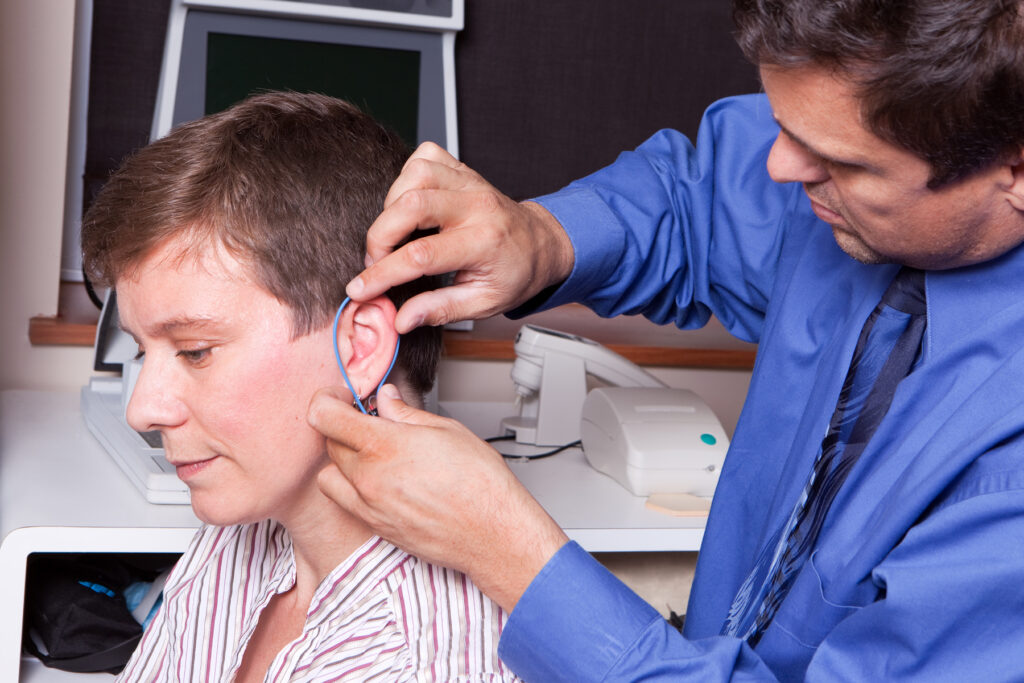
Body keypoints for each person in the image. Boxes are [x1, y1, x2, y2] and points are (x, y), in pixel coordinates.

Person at [307, 0, 1024, 680]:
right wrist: (548, 239)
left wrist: (508, 551)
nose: (780, 167)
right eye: (783, 125)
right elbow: (698, 202)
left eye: (844, 162)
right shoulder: (852, 119)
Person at [80, 92, 520, 682]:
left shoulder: (409, 662)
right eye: (142, 349)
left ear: (359, 347)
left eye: (195, 351)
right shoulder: (247, 528)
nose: (143, 410)